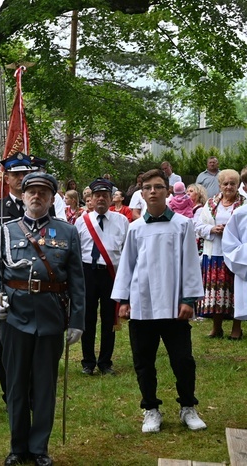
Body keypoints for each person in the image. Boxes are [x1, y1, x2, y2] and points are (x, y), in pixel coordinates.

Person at [0, 172, 85, 466]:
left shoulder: (67, 233)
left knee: (44, 384)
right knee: (15, 384)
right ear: (23, 195)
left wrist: (77, 320)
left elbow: (77, 281)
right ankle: (17, 446)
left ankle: (39, 447)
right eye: (31, 191)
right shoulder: (6, 231)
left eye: (43, 192)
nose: (36, 196)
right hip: (15, 316)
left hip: (50, 315)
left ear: (52, 197)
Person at [111, 168, 207, 433]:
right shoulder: (135, 228)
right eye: (148, 188)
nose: (153, 191)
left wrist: (188, 299)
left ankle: (188, 406)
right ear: (141, 194)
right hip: (142, 305)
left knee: (183, 360)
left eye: (158, 187)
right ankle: (151, 409)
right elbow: (127, 266)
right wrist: (124, 300)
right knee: (143, 361)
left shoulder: (182, 225)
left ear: (167, 190)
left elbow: (190, 263)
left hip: (174, 306)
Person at [0, 151, 35, 404]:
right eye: (16, 174)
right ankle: (9, 392)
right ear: (7, 177)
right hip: (7, 284)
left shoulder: (40, 204)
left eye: (25, 173)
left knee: (34, 339)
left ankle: (33, 389)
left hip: (35, 285)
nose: (21, 178)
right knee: (6, 342)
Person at [74, 178, 129, 376]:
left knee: (109, 319)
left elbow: (127, 251)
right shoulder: (81, 221)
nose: (101, 199)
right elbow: (75, 251)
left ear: (111, 198)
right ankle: (88, 362)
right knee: (87, 319)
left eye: (105, 196)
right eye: (97, 196)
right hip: (87, 272)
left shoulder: (122, 221)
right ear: (91, 198)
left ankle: (105, 362)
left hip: (111, 274)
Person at [194, 169, 245, 339]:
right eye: (225, 183)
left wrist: (230, 231)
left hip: (236, 255)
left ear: (238, 185)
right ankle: (216, 328)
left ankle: (236, 328)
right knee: (215, 292)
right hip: (213, 253)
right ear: (219, 185)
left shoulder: (244, 204)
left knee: (235, 291)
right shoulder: (210, 204)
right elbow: (197, 225)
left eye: (233, 183)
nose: (229, 187)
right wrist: (212, 229)